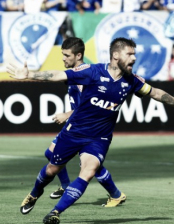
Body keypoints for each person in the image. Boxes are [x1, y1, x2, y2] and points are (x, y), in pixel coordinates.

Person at [7, 37, 174, 224]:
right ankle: (34, 194)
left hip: (99, 138)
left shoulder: (132, 81)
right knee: (51, 169)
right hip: (74, 132)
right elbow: (59, 75)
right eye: (129, 54)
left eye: (134, 54)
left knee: (88, 172)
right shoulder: (93, 72)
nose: (134, 58)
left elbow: (155, 93)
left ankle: (56, 212)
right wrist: (29, 74)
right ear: (115, 55)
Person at [41, 37, 126, 207]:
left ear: (78, 55)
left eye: (66, 55)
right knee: (53, 154)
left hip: (87, 126)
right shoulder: (76, 72)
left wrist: (67, 114)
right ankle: (68, 186)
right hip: (77, 123)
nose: (63, 58)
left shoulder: (85, 75)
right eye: (62, 54)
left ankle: (116, 194)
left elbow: (89, 105)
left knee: (90, 165)